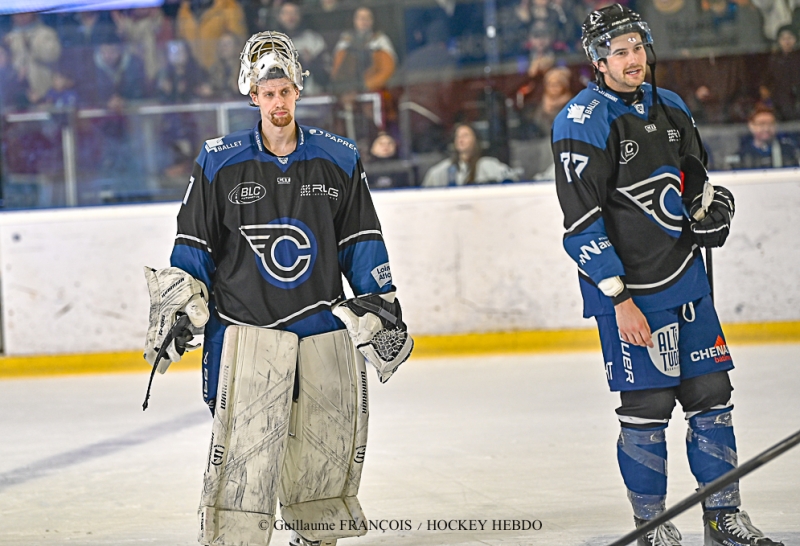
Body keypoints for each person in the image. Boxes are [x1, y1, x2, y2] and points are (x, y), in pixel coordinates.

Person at [142, 30, 412, 546]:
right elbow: (194, 242)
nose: (278, 101)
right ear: (252, 95)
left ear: (298, 92)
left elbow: (361, 239)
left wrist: (381, 303)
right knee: (243, 454)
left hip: (320, 328)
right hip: (244, 332)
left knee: (321, 450)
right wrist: (179, 307)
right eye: (268, 93)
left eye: (285, 90)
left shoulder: (339, 157)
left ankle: (316, 538)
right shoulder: (218, 160)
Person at [552, 5, 784, 546]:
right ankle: (652, 526)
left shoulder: (672, 106)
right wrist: (618, 298)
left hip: (687, 283)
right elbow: (581, 224)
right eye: (620, 52)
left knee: (712, 395)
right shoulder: (583, 120)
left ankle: (723, 518)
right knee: (647, 408)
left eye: (637, 48)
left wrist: (709, 211)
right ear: (598, 60)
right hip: (631, 294)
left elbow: (693, 183)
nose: (633, 60)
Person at [422, 123, 518, 187]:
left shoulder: (488, 165)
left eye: (465, 135)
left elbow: (512, 181)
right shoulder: (443, 170)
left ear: (475, 140)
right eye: (458, 136)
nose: (461, 139)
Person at [732, 104, 800, 169]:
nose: (766, 129)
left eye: (770, 124)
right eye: (761, 124)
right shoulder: (742, 155)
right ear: (751, 126)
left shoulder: (788, 151)